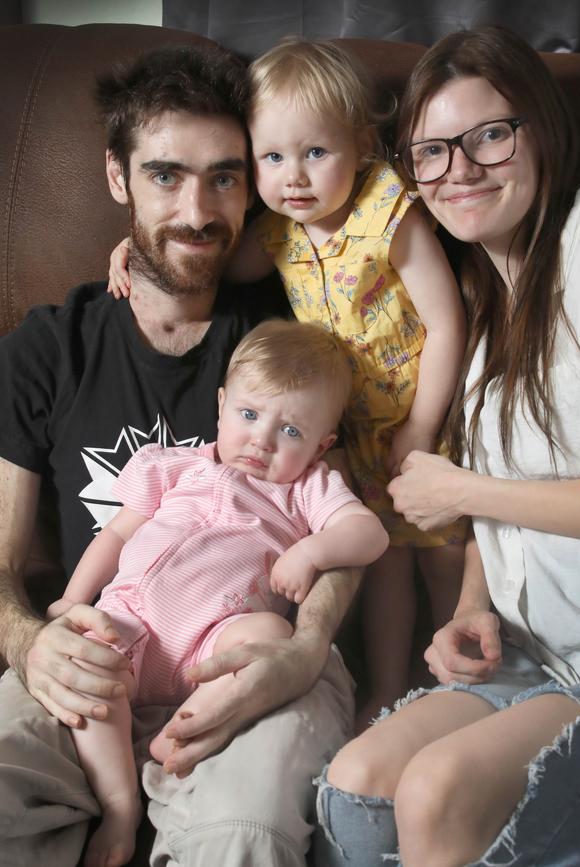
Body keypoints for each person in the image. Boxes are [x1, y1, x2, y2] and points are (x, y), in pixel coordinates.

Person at [0, 44, 364, 867]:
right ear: (116, 176)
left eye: (225, 177)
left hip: (252, 656)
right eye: (166, 175)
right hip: (98, 654)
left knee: (243, 837)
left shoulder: (294, 333)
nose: (198, 209)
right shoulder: (47, 349)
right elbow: (1, 559)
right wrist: (29, 641)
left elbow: (347, 520)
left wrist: (305, 650)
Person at [313, 25, 580, 867]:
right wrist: (472, 606)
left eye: (489, 135)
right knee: (355, 786)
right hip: (542, 658)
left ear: (543, 131)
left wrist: (461, 492)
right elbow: (504, 501)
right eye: (430, 151)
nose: (458, 169)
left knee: (437, 791)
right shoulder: (482, 316)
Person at [108, 37, 468, 729]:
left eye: (315, 153)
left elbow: (446, 323)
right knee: (385, 559)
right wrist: (138, 248)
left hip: (420, 412)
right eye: (271, 158)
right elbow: (201, 252)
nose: (294, 177)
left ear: (361, 145)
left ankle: (455, 669)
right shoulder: (279, 233)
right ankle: (390, 688)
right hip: (344, 430)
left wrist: (423, 425)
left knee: (440, 549)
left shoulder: (387, 214)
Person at [44, 319, 389, 867]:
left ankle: (182, 735)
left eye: (292, 431)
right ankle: (119, 807)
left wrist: (311, 552)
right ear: (222, 405)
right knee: (89, 669)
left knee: (271, 635)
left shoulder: (307, 489)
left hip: (215, 643)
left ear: (323, 444)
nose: (262, 439)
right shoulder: (173, 466)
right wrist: (71, 600)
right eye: (249, 415)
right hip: (132, 623)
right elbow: (115, 536)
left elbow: (371, 534)